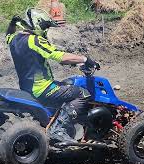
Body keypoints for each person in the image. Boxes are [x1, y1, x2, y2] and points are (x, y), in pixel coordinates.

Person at [6, 8, 100, 143]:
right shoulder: (34, 40)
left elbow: (8, 36)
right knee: (82, 93)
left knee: (67, 85)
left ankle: (60, 123)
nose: (46, 29)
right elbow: (58, 56)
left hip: (27, 88)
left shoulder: (13, 39)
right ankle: (58, 129)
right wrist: (84, 59)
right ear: (37, 23)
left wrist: (12, 23)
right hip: (42, 89)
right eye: (45, 26)